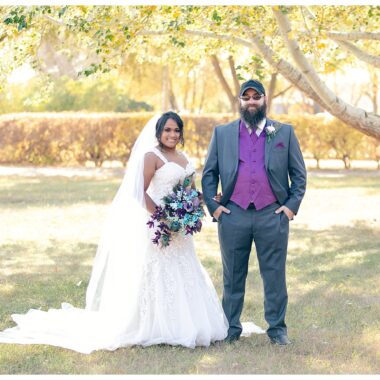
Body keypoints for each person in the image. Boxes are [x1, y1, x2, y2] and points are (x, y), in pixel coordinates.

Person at [0, 112, 229, 354]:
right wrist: (162, 218)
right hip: (159, 226)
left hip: (181, 231)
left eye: (176, 130)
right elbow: (139, 192)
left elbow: (190, 193)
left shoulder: (183, 157)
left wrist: (204, 201)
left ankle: (187, 322)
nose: (172, 135)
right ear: (159, 132)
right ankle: (151, 325)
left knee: (184, 270)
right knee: (157, 271)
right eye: (167, 130)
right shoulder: (152, 156)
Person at [202, 79, 307, 345]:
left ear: (264, 100)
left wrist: (289, 209)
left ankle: (277, 329)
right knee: (233, 274)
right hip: (233, 213)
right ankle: (230, 328)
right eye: (246, 97)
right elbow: (209, 174)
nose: (251, 102)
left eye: (256, 97)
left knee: (274, 274)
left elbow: (299, 175)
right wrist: (215, 209)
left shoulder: (283, 132)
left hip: (272, 214)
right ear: (239, 101)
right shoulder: (223, 133)